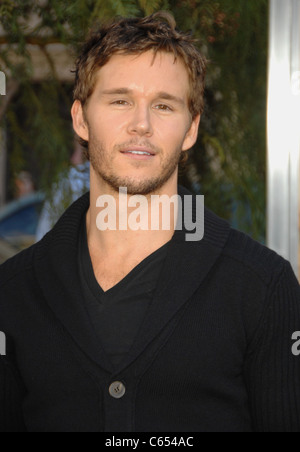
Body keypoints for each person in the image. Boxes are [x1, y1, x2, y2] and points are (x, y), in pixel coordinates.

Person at [0, 12, 299, 433]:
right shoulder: (13, 293)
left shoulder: (263, 288)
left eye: (163, 105)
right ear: (81, 119)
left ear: (191, 129)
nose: (142, 124)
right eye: (120, 100)